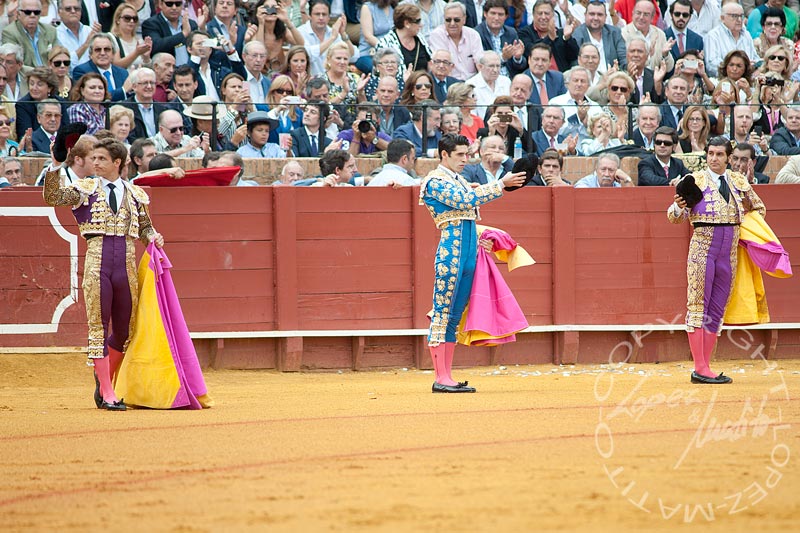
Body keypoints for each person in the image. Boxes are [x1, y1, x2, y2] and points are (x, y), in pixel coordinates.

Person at [43, 137, 165, 410]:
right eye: (93, 159)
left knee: (123, 331)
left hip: (126, 265)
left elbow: (145, 228)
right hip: (98, 263)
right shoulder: (84, 188)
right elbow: (52, 197)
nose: (94, 163)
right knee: (98, 327)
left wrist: (154, 237)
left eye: (101, 159)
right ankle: (109, 393)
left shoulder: (136, 194)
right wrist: (55, 165)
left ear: (117, 162)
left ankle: (104, 379)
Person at [419, 133, 526, 393]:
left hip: (468, 252)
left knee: (454, 316)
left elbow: (469, 212)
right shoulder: (434, 181)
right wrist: (501, 184)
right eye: (459, 155)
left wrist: (480, 239)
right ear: (443, 155)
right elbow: (466, 201)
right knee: (443, 314)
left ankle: (447, 377)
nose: (465, 160)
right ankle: (440, 378)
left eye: (467, 155)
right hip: (451, 256)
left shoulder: (460, 181)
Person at [668, 136, 766, 384]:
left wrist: (750, 225)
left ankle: (706, 365)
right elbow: (673, 217)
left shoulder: (738, 181)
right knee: (698, 305)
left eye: (719, 154)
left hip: (729, 253)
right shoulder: (693, 181)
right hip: (703, 250)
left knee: (717, 308)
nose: (713, 158)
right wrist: (679, 207)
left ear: (729, 158)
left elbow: (759, 208)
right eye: (710, 153)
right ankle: (700, 368)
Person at [375, 3, 434, 81]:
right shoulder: (384, 44)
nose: (421, 25)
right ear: (407, 24)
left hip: (423, 86)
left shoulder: (420, 38)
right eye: (418, 21)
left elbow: (430, 64)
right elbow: (382, 75)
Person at [428, 2, 483, 81]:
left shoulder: (473, 35)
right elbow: (443, 67)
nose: (452, 23)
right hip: (450, 84)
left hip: (473, 83)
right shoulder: (437, 35)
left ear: (464, 19)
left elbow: (480, 64)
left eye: (456, 20)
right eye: (448, 20)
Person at [703, 3, 760, 78]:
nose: (739, 20)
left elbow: (755, 59)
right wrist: (736, 70)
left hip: (747, 81)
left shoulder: (746, 35)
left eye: (741, 16)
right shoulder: (713, 36)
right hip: (722, 82)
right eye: (734, 16)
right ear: (722, 18)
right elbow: (711, 65)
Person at [72, 33, 132, 102]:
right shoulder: (81, 71)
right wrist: (122, 91)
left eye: (107, 49)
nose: (102, 53)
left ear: (113, 54)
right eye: (98, 50)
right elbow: (93, 98)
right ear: (91, 54)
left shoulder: (123, 73)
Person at [1, 0, 59, 67]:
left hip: (50, 74)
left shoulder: (50, 31)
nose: (32, 15)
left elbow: (58, 57)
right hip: (27, 75)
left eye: (36, 12)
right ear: (18, 14)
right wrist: (40, 74)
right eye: (27, 12)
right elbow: (13, 64)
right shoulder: (10, 33)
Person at [110, 2, 153, 71]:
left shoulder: (139, 40)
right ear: (117, 20)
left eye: (135, 18)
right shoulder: (111, 38)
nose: (131, 21)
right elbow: (116, 65)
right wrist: (136, 53)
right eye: (127, 18)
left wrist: (146, 58)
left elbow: (148, 70)